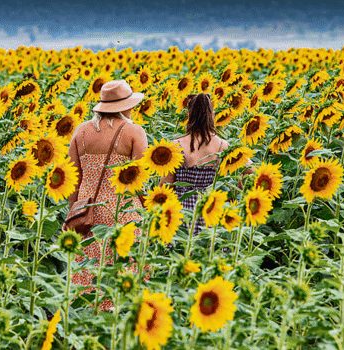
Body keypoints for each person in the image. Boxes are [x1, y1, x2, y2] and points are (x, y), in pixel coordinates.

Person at [64, 79, 149, 312]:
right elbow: (141, 176)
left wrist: (75, 211)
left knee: (89, 274)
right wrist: (147, 208)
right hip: (124, 212)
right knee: (124, 273)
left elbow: (73, 179)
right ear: (126, 106)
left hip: (89, 213)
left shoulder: (81, 131)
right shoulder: (134, 132)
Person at [159, 93, 231, 235]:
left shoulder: (176, 145)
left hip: (181, 214)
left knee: (181, 251)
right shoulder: (223, 145)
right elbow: (249, 171)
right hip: (211, 210)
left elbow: (165, 186)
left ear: (189, 115)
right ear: (212, 114)